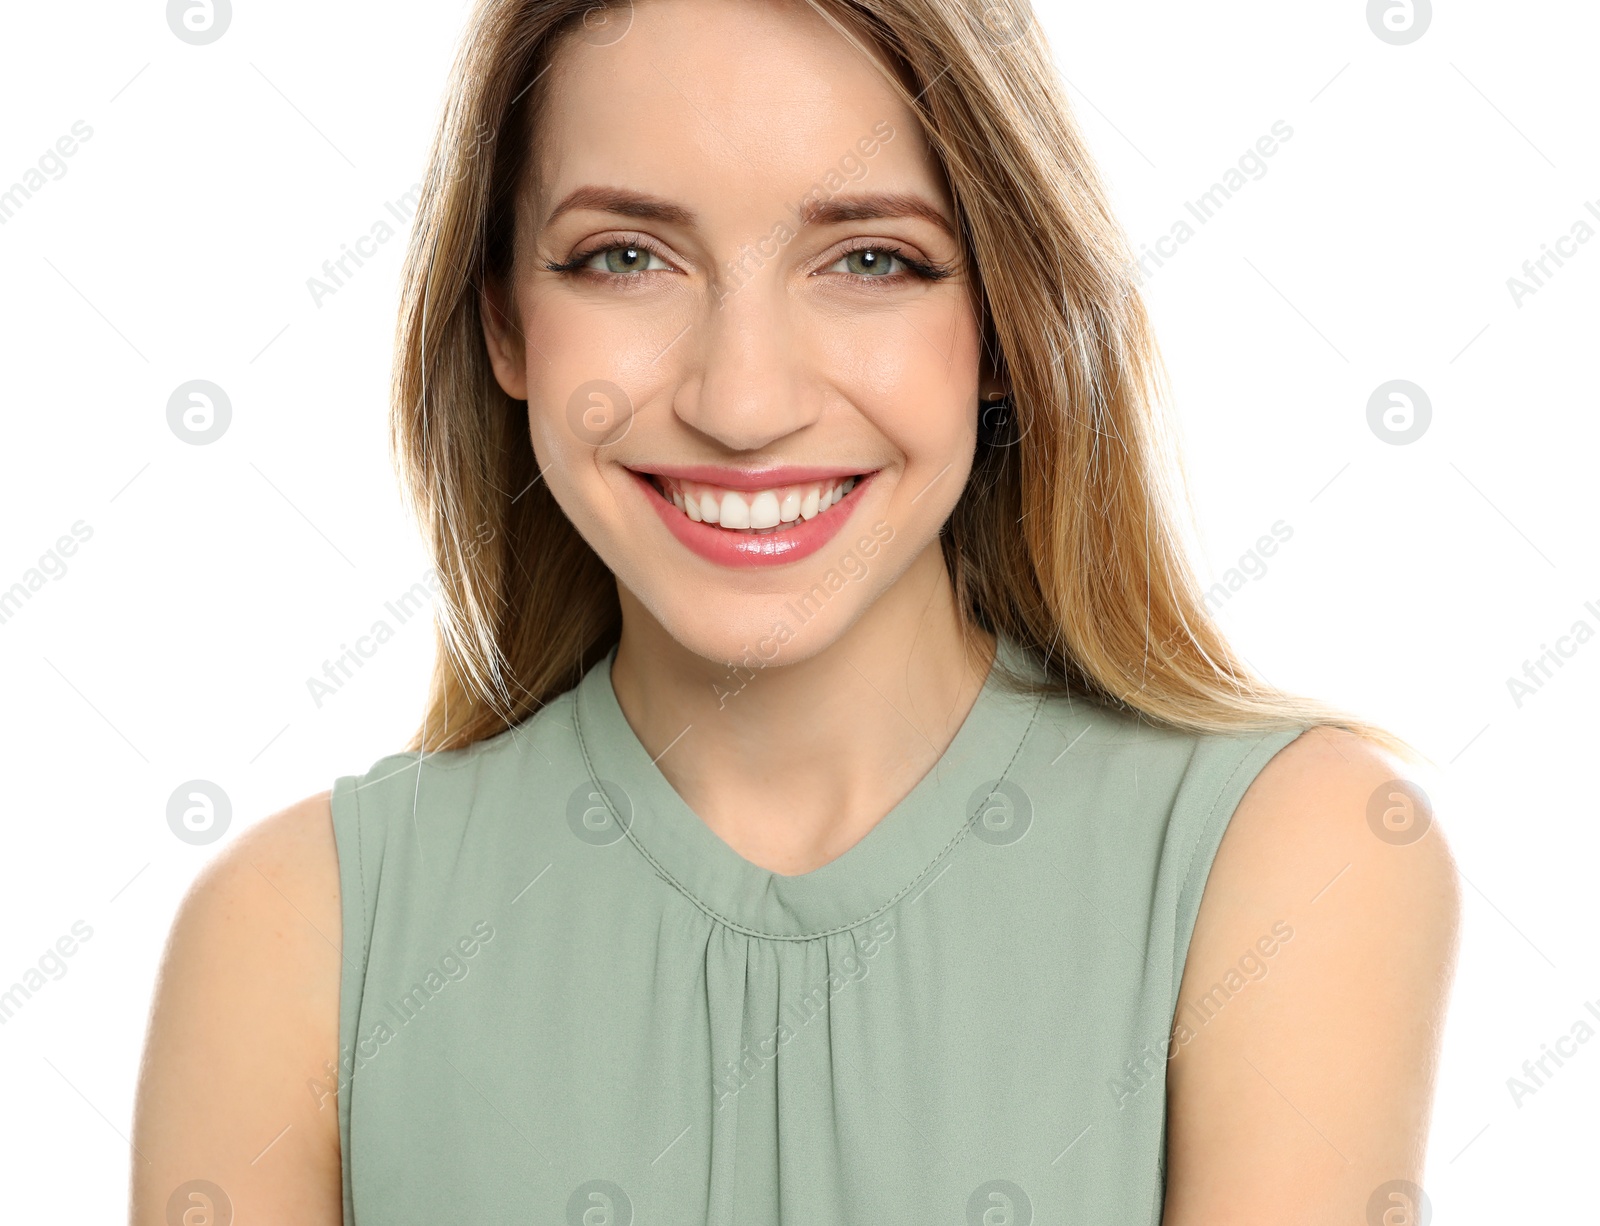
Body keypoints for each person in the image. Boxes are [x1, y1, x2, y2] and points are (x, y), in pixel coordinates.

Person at [130, 0, 1461, 1221]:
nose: (744, 398)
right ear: (505, 324)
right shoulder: (290, 934)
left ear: (1000, 322)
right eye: (627, 256)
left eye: (871, 258)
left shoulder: (1295, 855)